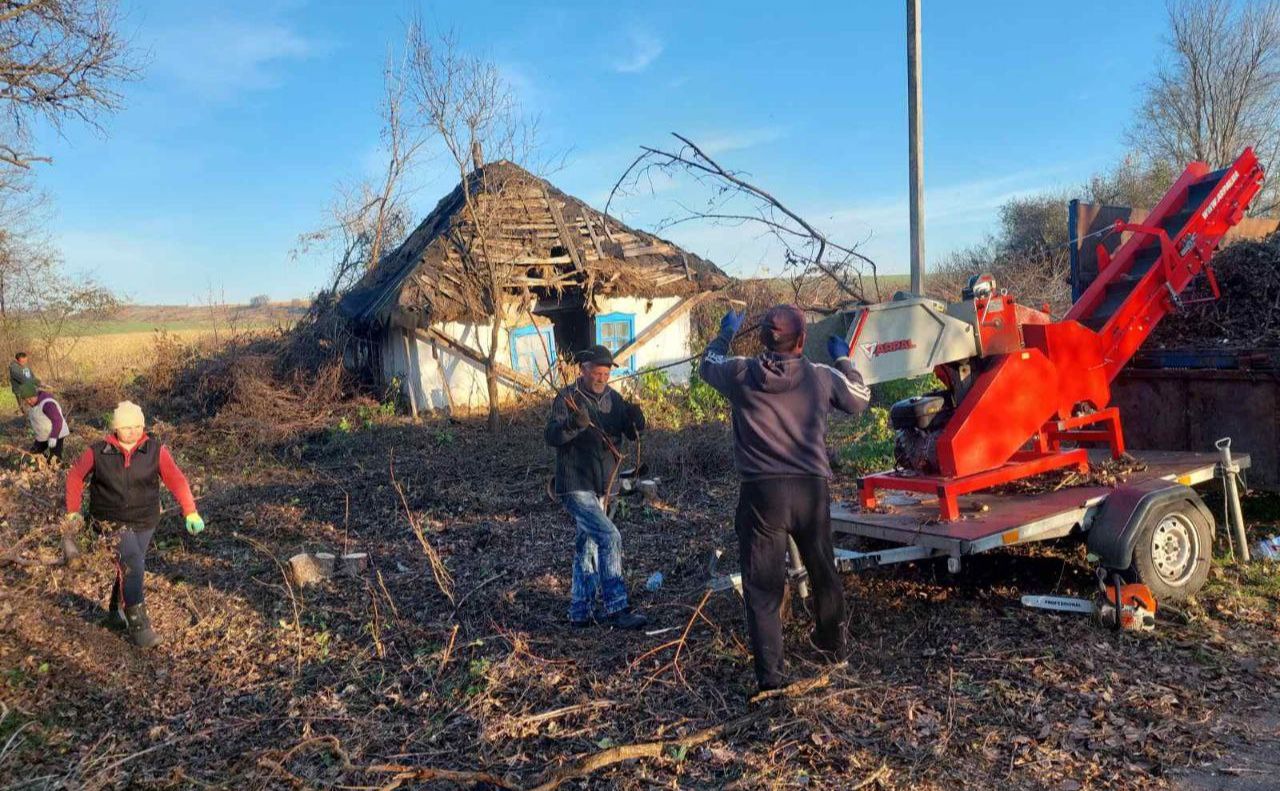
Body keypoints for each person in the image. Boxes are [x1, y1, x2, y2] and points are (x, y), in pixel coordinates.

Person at [698, 304, 871, 692]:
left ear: (760, 339)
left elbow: (707, 364)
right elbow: (861, 399)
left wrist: (725, 332)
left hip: (762, 495)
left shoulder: (740, 372)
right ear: (803, 340)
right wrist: (845, 359)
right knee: (823, 568)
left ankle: (772, 679)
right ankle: (831, 646)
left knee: (763, 587)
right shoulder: (821, 376)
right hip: (811, 489)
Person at [63, 401, 206, 648]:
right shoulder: (98, 451)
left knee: (128, 565)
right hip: (109, 521)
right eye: (127, 427)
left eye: (138, 426)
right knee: (134, 563)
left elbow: (177, 480)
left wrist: (190, 511)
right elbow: (75, 477)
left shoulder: (155, 450)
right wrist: (73, 512)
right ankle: (139, 626)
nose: (133, 431)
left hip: (145, 520)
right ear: (116, 428)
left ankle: (114, 612)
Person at [544, 344, 648, 630]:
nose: (602, 378)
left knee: (587, 545)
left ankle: (580, 611)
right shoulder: (568, 398)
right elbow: (551, 436)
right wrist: (574, 425)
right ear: (583, 370)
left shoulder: (614, 399)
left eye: (606, 373)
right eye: (597, 373)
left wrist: (636, 421)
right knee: (610, 537)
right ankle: (617, 607)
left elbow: (628, 432)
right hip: (574, 484)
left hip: (603, 484)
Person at [18, 382, 70, 462]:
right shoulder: (34, 404)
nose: (28, 401)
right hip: (43, 435)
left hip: (57, 433)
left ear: (35, 394)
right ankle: (43, 463)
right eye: (26, 400)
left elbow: (57, 420)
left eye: (30, 398)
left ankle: (58, 471)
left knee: (55, 458)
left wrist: (54, 436)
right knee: (33, 453)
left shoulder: (47, 404)